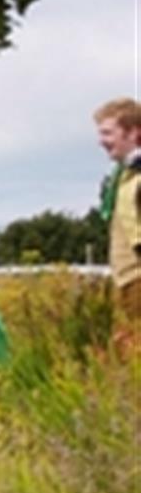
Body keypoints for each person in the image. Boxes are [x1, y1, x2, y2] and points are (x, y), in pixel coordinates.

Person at [94, 97, 141, 350]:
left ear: (133, 132)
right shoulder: (124, 174)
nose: (101, 141)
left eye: (108, 133)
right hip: (126, 278)